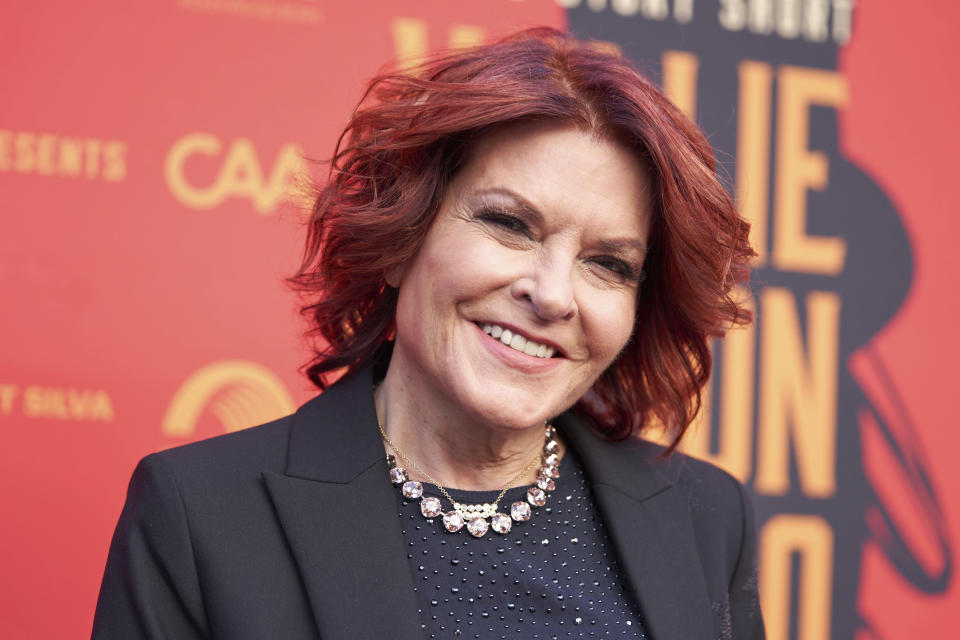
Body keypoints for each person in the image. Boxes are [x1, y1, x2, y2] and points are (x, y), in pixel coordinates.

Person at [92, 27, 762, 639]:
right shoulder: (199, 517)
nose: (553, 294)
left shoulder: (706, 518)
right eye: (509, 224)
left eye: (608, 264)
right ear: (399, 237)